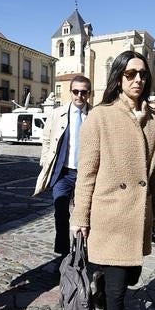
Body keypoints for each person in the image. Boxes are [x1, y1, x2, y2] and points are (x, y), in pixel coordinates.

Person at [69, 51, 155, 310]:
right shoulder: (100, 116)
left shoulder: (154, 122)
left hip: (139, 215)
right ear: (118, 77)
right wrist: (80, 217)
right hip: (110, 214)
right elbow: (86, 173)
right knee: (118, 288)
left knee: (132, 275)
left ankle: (101, 287)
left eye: (143, 74)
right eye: (130, 73)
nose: (138, 79)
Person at [33, 75, 92, 255]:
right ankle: (64, 253)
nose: (79, 96)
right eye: (75, 91)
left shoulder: (96, 115)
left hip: (86, 174)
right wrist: (45, 160)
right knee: (61, 212)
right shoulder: (56, 114)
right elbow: (46, 139)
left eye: (83, 92)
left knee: (85, 214)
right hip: (62, 173)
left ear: (88, 93)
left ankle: (83, 250)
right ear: (70, 92)